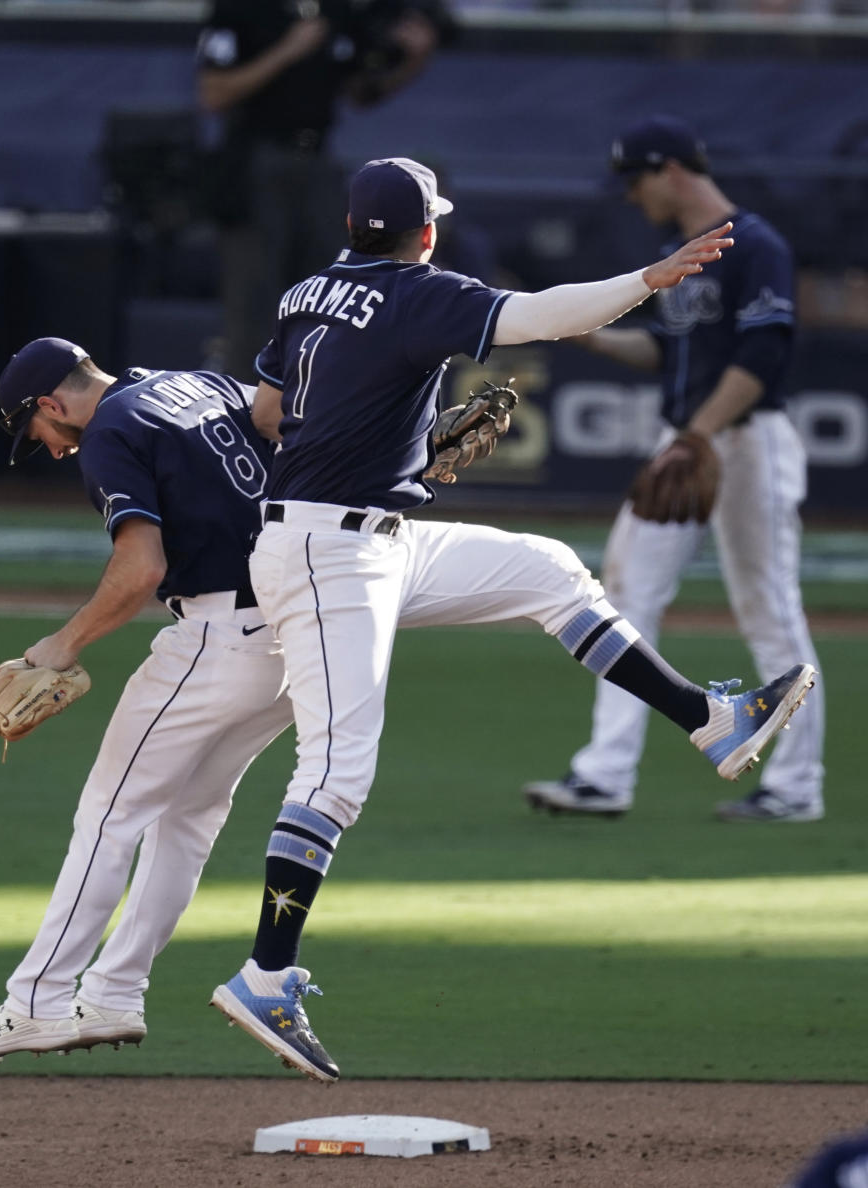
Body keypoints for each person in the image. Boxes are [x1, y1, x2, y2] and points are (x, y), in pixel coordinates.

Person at [207, 156, 815, 1083]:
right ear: (426, 231)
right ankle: (265, 974)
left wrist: (393, 451)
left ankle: (709, 720)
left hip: (363, 537)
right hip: (334, 555)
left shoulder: (304, 293)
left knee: (548, 570)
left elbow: (270, 410)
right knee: (336, 773)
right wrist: (648, 280)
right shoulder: (420, 291)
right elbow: (544, 316)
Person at [0, 338, 295, 1059]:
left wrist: (61, 645)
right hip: (295, 636)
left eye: (34, 432)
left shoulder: (111, 429)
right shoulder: (198, 384)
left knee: (109, 813)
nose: (46, 448)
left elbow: (141, 569)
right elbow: (284, 418)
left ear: (51, 403)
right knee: (189, 818)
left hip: (216, 638)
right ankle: (113, 994)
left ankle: (35, 1001)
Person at [522, 115, 825, 824]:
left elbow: (763, 358)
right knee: (624, 592)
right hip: (689, 436)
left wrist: (696, 436)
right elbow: (666, 351)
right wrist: (588, 334)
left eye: (636, 179)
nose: (631, 195)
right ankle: (605, 776)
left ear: (672, 170)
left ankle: (795, 787)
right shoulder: (677, 251)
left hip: (743, 440)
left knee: (769, 608)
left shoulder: (755, 245)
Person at [196, 0, 455, 378]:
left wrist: (412, 60)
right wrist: (288, 50)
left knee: (332, 292)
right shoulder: (240, 9)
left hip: (317, 161)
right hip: (256, 162)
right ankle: (245, 417)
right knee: (255, 302)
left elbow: (359, 92)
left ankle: (323, 408)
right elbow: (212, 93)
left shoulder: (336, 11)